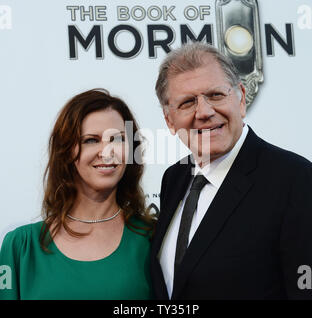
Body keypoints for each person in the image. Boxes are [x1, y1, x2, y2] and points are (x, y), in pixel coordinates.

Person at [150, 42, 312, 300]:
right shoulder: (174, 177)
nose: (204, 112)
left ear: (241, 98)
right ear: (170, 120)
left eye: (215, 95)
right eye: (188, 102)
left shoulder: (296, 179)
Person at [0, 89, 154, 300]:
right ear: (66, 151)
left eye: (117, 139)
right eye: (91, 140)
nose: (107, 151)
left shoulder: (153, 238)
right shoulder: (21, 246)